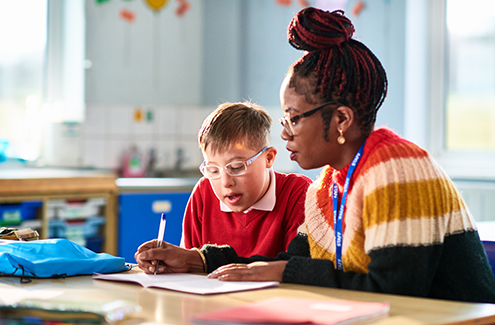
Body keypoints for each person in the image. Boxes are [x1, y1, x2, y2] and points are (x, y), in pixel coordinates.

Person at [135, 8, 495, 303]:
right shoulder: (328, 186)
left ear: (340, 119)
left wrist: (284, 270)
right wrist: (196, 260)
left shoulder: (396, 169)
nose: (286, 131)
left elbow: (393, 292)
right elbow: (287, 262)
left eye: (294, 118)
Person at [180, 102, 311, 257]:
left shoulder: (297, 192)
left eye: (236, 167)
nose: (225, 182)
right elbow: (189, 263)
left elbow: (296, 268)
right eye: (213, 170)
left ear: (268, 158)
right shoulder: (204, 192)